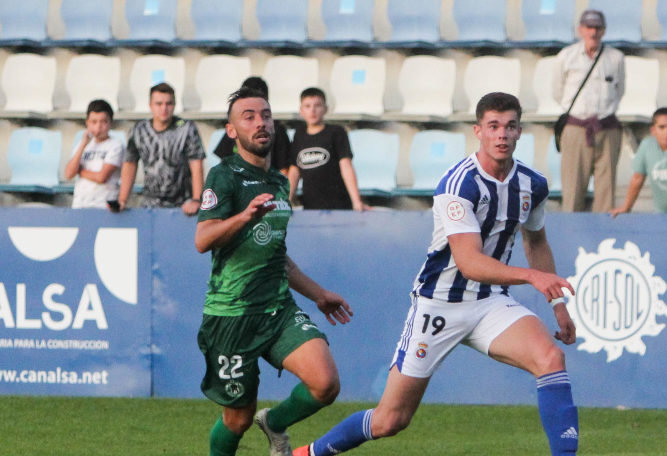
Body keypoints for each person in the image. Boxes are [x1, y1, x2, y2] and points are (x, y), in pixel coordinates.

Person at [293, 92, 579, 456]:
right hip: (439, 306)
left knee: (551, 359)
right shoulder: (458, 184)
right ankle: (310, 453)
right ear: (478, 131)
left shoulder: (532, 184)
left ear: (520, 131)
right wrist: (532, 278)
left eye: (509, 126)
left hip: (490, 302)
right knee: (390, 420)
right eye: (493, 126)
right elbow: (469, 262)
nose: (502, 134)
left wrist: (557, 304)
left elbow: (536, 243)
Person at [194, 86, 354, 456]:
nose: (260, 122)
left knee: (325, 383)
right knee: (236, 419)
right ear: (231, 130)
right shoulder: (224, 176)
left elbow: (276, 254)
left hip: (277, 308)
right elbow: (203, 239)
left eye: (265, 115)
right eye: (248, 117)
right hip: (233, 315)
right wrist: (244, 216)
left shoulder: (280, 182)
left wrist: (318, 294)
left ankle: (276, 423)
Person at [551, 9, 626, 213]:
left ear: (604, 31)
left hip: (606, 125)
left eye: (597, 28)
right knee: (573, 187)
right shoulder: (567, 56)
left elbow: (620, 90)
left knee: (606, 190)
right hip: (577, 125)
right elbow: (557, 91)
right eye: (589, 27)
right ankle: (571, 235)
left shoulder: (616, 58)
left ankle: (603, 235)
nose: (593, 32)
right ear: (581, 29)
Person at [118, 82, 205, 214]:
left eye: (169, 104)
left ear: (174, 105)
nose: (164, 108)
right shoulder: (139, 130)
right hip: (150, 204)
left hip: (182, 205)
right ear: (150, 105)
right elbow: (130, 163)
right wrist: (122, 199)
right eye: (159, 104)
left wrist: (197, 200)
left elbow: (196, 164)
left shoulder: (187, 128)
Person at [287, 88, 367, 211]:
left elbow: (346, 166)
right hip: (311, 206)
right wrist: (287, 200)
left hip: (338, 205)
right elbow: (294, 170)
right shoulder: (299, 134)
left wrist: (356, 201)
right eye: (307, 106)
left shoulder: (336, 132)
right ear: (301, 111)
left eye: (317, 105)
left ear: (326, 109)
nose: (312, 110)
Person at [213, 76, 292, 175]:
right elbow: (224, 163)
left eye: (266, 116)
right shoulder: (237, 127)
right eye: (249, 118)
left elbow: (283, 169)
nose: (260, 124)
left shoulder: (277, 130)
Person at [64, 99, 124, 210]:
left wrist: (81, 171)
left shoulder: (116, 145)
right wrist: (83, 145)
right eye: (94, 122)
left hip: (103, 204)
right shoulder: (82, 145)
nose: (98, 127)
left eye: (103, 122)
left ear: (110, 122)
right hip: (80, 203)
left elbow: (102, 177)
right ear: (87, 123)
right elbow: (68, 174)